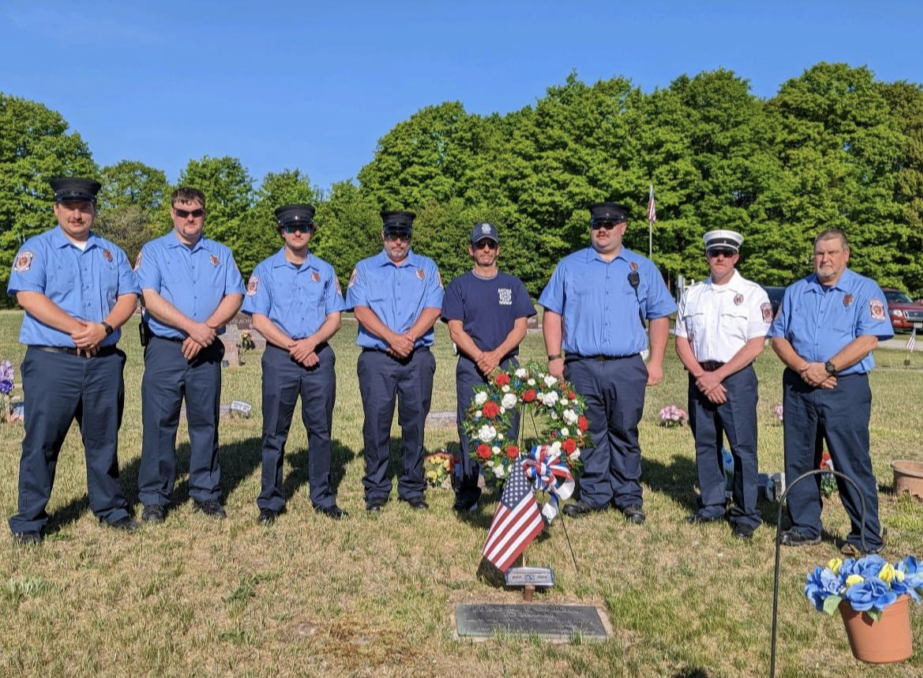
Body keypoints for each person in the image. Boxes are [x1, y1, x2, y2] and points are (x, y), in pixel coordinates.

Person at [7, 177, 140, 543]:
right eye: (70, 207)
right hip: (53, 362)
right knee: (42, 442)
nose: (77, 214)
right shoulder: (38, 249)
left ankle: (111, 508)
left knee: (103, 440)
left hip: (103, 361)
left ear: (94, 209)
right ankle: (30, 520)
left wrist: (106, 327)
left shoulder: (111, 253)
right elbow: (29, 297)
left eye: (84, 207)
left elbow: (129, 296)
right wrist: (79, 329)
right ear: (57, 209)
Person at [538, 202, 675, 524]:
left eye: (610, 224)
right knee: (590, 432)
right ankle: (595, 494)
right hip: (581, 365)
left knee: (625, 431)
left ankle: (628, 497)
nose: (603, 229)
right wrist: (554, 358)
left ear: (623, 228)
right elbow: (552, 312)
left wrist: (655, 362)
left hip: (626, 365)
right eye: (598, 223)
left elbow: (659, 315)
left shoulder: (641, 267)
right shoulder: (570, 266)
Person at [768, 229, 892, 554]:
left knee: (851, 461)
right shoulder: (797, 291)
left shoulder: (865, 290)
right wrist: (803, 368)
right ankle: (806, 526)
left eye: (832, 253)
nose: (825, 259)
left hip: (844, 386)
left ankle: (865, 537)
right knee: (799, 459)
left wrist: (828, 367)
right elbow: (777, 337)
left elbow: (869, 339)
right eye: (819, 253)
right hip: (799, 384)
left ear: (846, 255)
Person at [136, 187, 245, 522]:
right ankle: (155, 497)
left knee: (205, 423)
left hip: (207, 350)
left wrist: (206, 329)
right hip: (166, 348)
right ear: (172, 213)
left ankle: (206, 492)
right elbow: (150, 298)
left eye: (196, 213)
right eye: (182, 213)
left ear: (204, 214)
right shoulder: (154, 251)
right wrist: (191, 327)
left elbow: (235, 294)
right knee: (159, 423)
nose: (189, 219)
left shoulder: (220, 253)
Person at [242, 204, 347, 524]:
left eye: (303, 228)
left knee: (320, 430)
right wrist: (293, 346)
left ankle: (323, 497)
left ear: (312, 231)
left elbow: (335, 318)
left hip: (318, 354)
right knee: (274, 431)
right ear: (282, 232)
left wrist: (311, 344)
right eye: (291, 228)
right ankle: (270, 501)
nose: (297, 232)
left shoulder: (325, 271)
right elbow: (258, 319)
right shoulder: (265, 270)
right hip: (280, 356)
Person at [674, 230, 770, 540]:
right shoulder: (692, 294)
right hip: (700, 375)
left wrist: (719, 375)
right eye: (714, 252)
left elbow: (756, 345)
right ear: (706, 255)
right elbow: (681, 341)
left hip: (736, 378)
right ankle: (712, 504)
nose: (720, 258)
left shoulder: (753, 294)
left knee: (742, 447)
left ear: (736, 257)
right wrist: (703, 376)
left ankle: (745, 513)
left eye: (726, 253)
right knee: (705, 442)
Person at [345, 210, 443, 512]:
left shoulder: (426, 267)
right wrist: (391, 338)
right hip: (377, 358)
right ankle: (376, 487)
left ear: (410, 237)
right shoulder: (365, 268)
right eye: (392, 235)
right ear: (383, 236)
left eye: (403, 236)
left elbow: (433, 307)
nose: (397, 241)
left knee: (415, 422)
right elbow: (359, 309)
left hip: (417, 356)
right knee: (376, 424)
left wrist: (408, 338)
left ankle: (413, 487)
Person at [441, 223, 536, 513]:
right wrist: (481, 357)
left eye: (490, 245)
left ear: (498, 250)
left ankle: (507, 485)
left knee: (507, 427)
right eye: (480, 244)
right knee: (470, 427)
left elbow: (522, 326)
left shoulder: (512, 284)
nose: (485, 249)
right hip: (471, 366)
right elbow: (455, 330)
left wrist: (495, 356)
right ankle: (470, 488)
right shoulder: (459, 285)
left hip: (505, 364)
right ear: (471, 249)